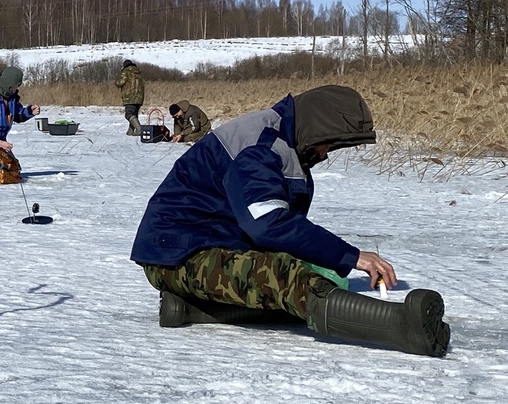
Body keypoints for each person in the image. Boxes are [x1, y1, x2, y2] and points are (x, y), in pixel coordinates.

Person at [130, 84, 450, 357]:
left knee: (292, 271)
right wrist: (352, 257)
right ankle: (403, 327)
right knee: (284, 276)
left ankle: (190, 309)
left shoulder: (282, 141)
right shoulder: (262, 146)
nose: (325, 154)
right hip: (177, 253)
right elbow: (267, 224)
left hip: (202, 247)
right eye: (331, 144)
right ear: (317, 129)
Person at [115, 59, 144, 136]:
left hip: (129, 97)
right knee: (134, 114)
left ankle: (139, 129)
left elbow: (119, 83)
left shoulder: (125, 71)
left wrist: (116, 80)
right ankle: (130, 131)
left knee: (129, 114)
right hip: (139, 97)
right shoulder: (138, 72)